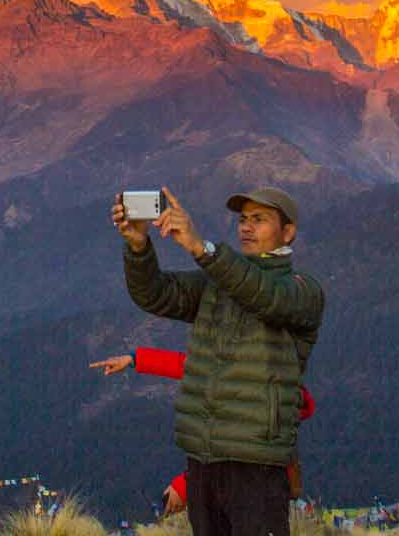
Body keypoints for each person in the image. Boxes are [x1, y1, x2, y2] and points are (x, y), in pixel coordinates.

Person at [113, 186, 324, 536]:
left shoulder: (302, 290)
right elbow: (156, 295)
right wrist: (138, 248)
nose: (246, 227)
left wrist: (202, 248)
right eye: (242, 219)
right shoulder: (217, 285)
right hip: (203, 459)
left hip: (258, 464)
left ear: (288, 233)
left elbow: (263, 295)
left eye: (260, 219)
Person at [90, 347, 317, 515]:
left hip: (254, 501)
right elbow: (184, 365)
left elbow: (236, 456)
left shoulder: (254, 394)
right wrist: (134, 359)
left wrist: (186, 486)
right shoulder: (261, 378)